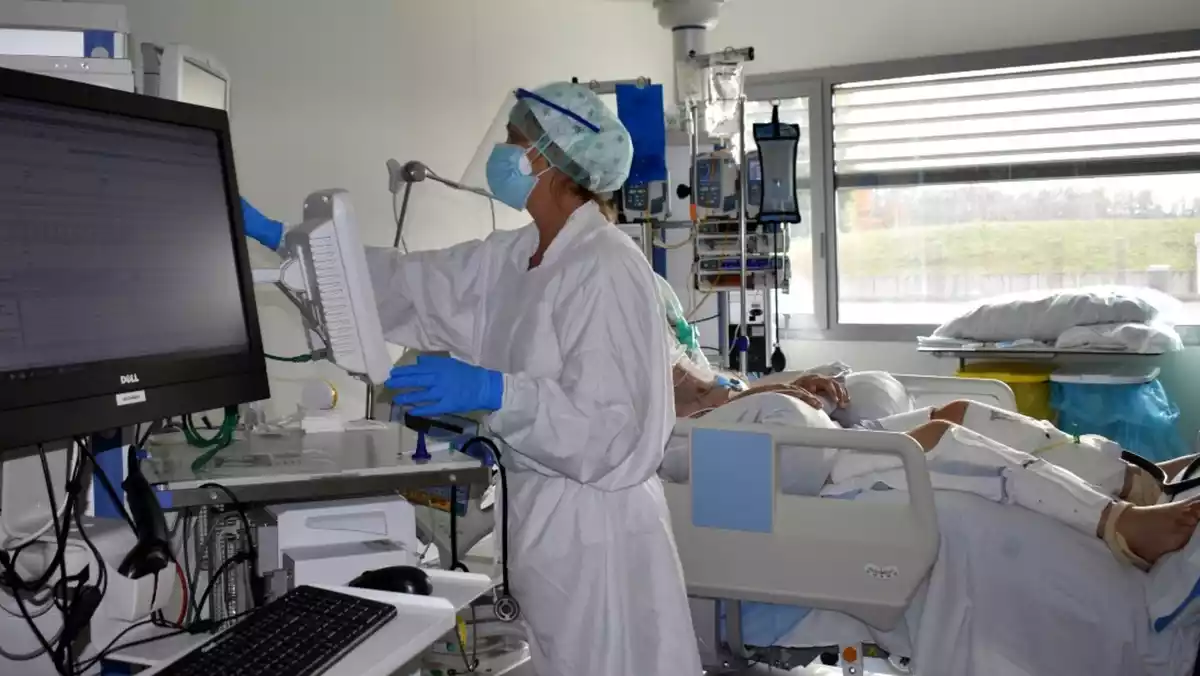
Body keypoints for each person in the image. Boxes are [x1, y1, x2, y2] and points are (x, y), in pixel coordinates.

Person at [242, 83, 700, 676]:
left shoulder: (606, 267)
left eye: (513, 140)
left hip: (600, 535)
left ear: (548, 158)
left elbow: (614, 432)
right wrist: (288, 242)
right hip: (542, 521)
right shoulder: (515, 257)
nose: (502, 155)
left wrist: (495, 392)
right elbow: (413, 284)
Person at [666, 358, 1200, 571]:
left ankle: (1138, 479)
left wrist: (789, 385)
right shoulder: (624, 377)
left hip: (797, 435)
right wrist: (738, 400)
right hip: (777, 465)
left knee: (963, 410)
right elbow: (685, 429)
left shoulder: (661, 327)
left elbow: (726, 394)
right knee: (945, 438)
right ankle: (1117, 521)